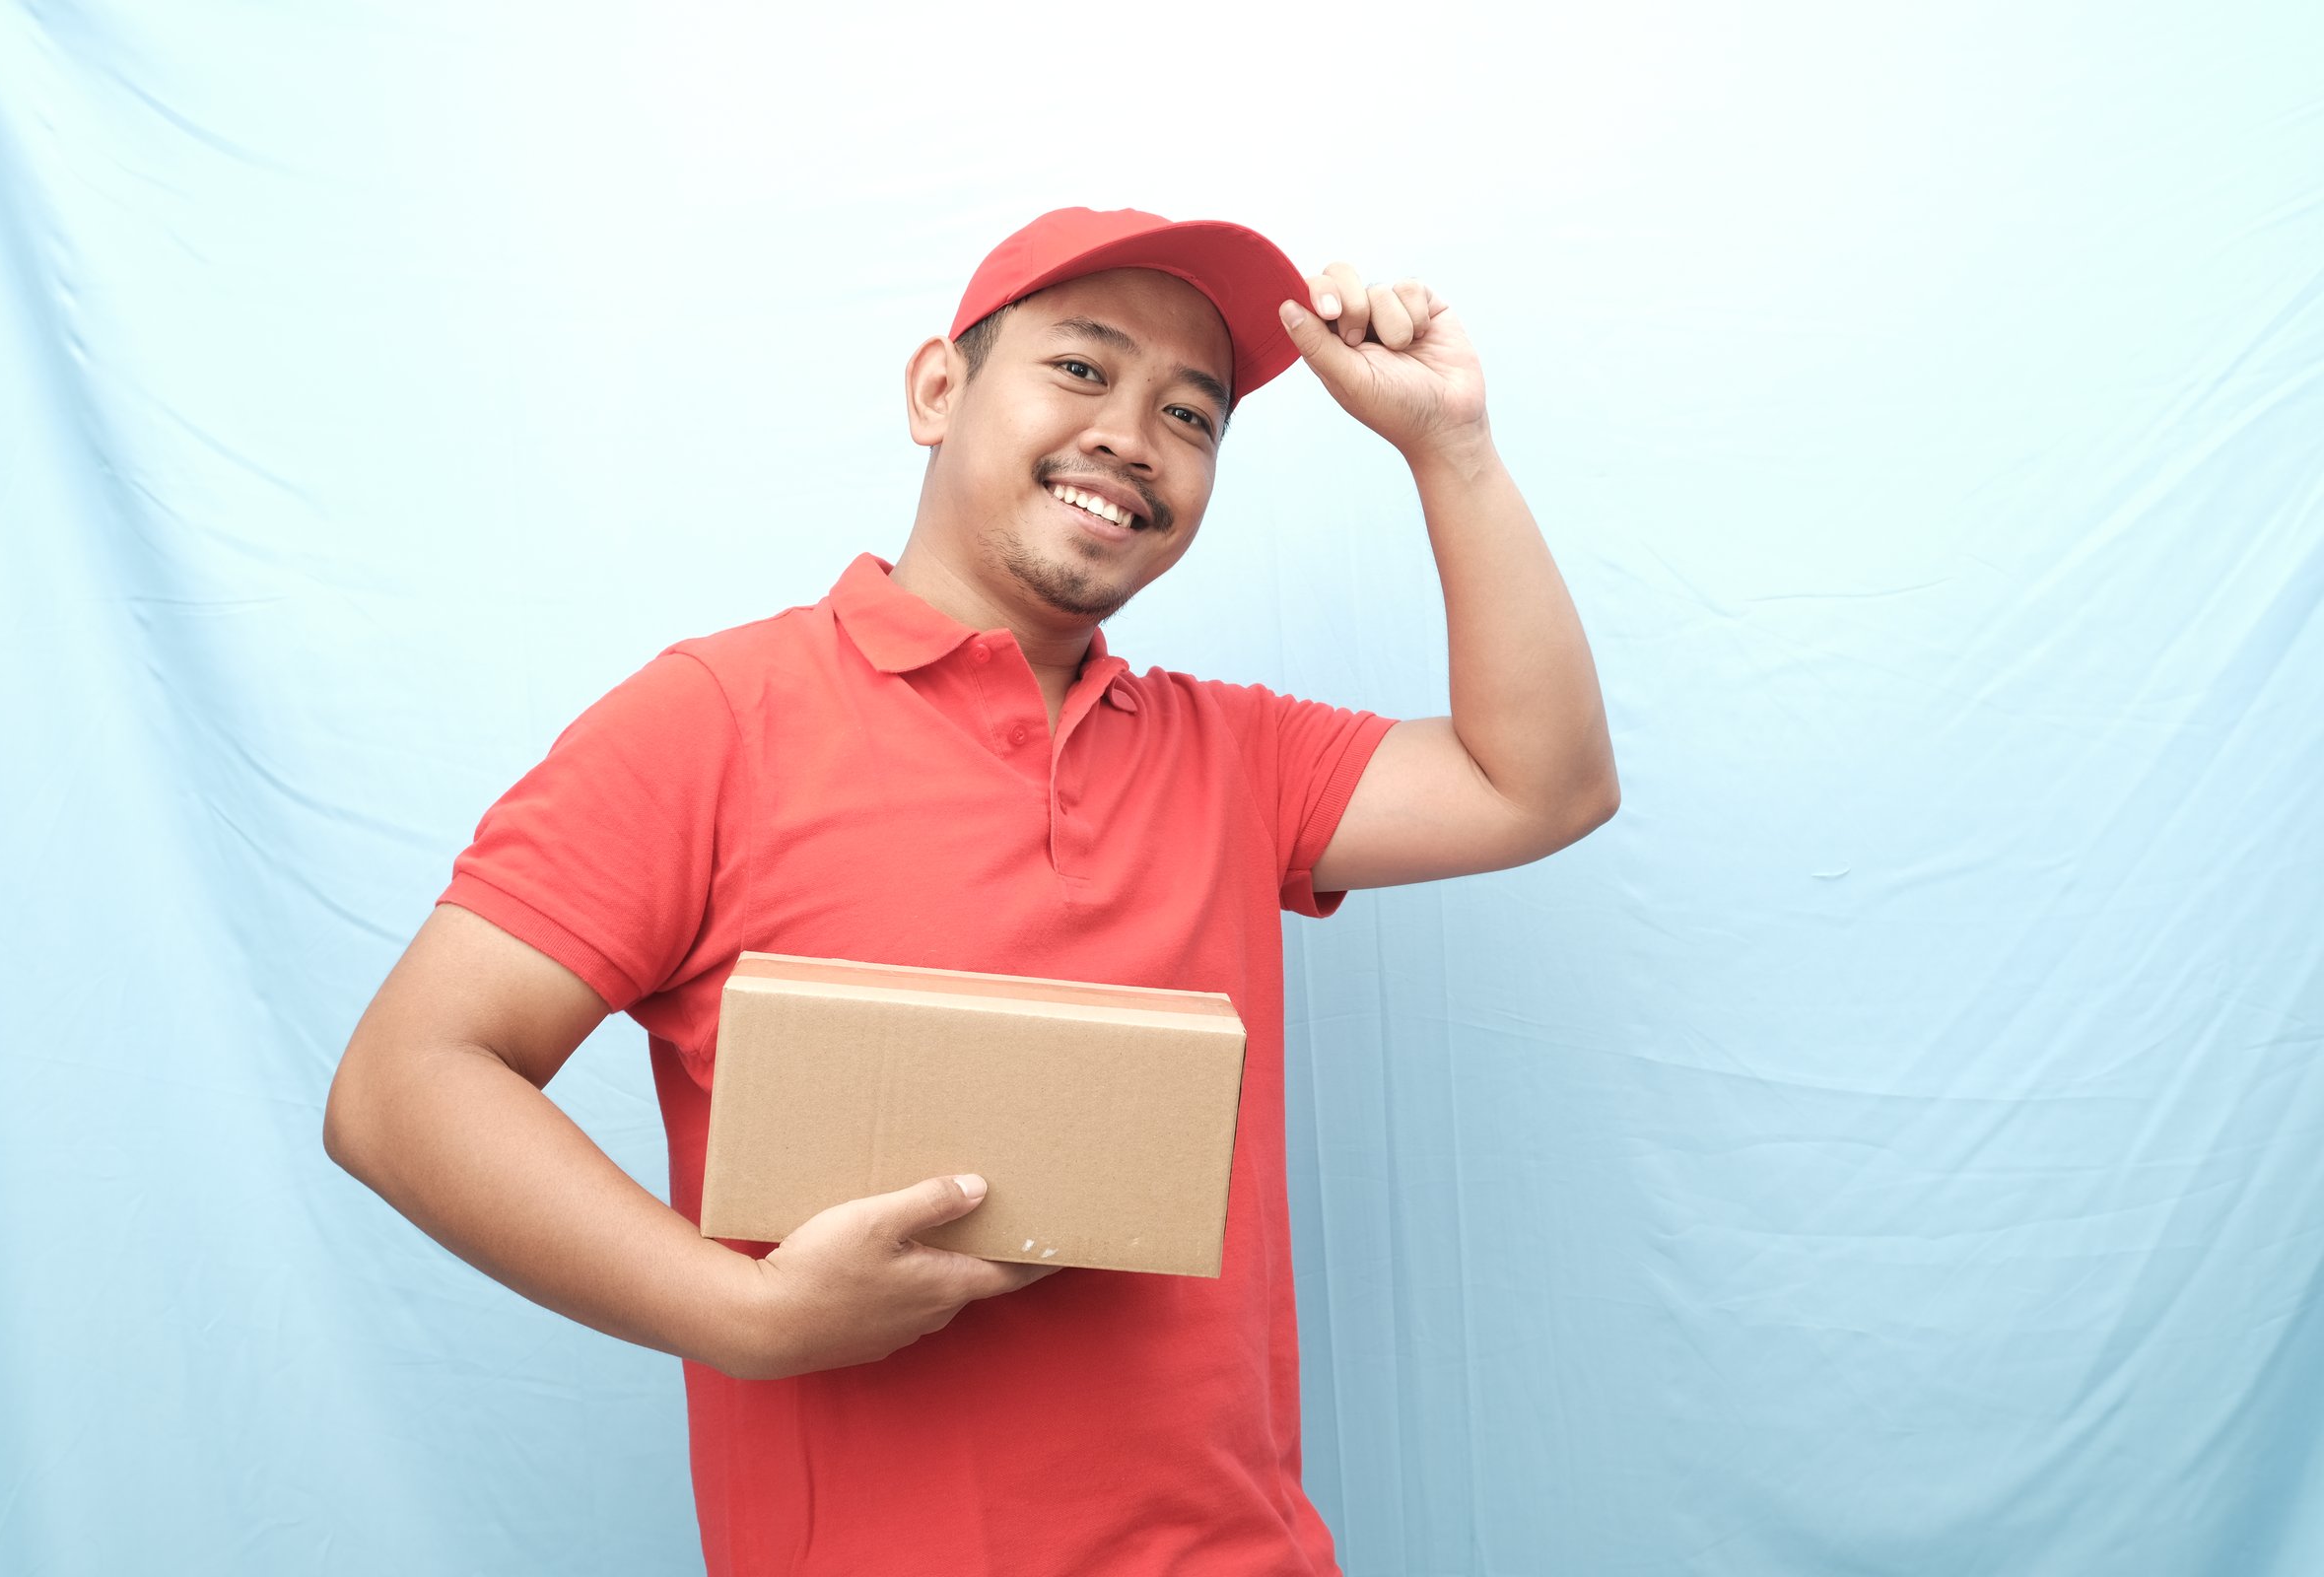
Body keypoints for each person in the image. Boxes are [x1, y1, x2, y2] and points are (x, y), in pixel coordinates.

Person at [323, 206, 1617, 1576]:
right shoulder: (712, 719)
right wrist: (741, 1310)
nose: (1132, 432)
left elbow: (1539, 784)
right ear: (938, 390)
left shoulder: (1233, 755)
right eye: (1082, 368)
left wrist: (1450, 446)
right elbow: (404, 1085)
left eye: (1194, 414)